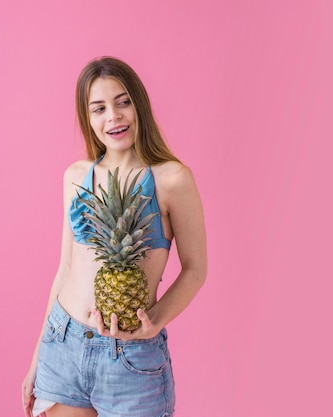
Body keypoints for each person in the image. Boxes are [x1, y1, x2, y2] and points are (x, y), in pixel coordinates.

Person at [21, 56, 207, 417]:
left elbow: (196, 268)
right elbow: (65, 270)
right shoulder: (76, 176)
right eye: (99, 108)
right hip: (62, 344)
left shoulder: (172, 179)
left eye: (123, 102)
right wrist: (36, 361)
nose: (114, 117)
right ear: (88, 119)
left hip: (130, 356)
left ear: (139, 104)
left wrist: (157, 318)